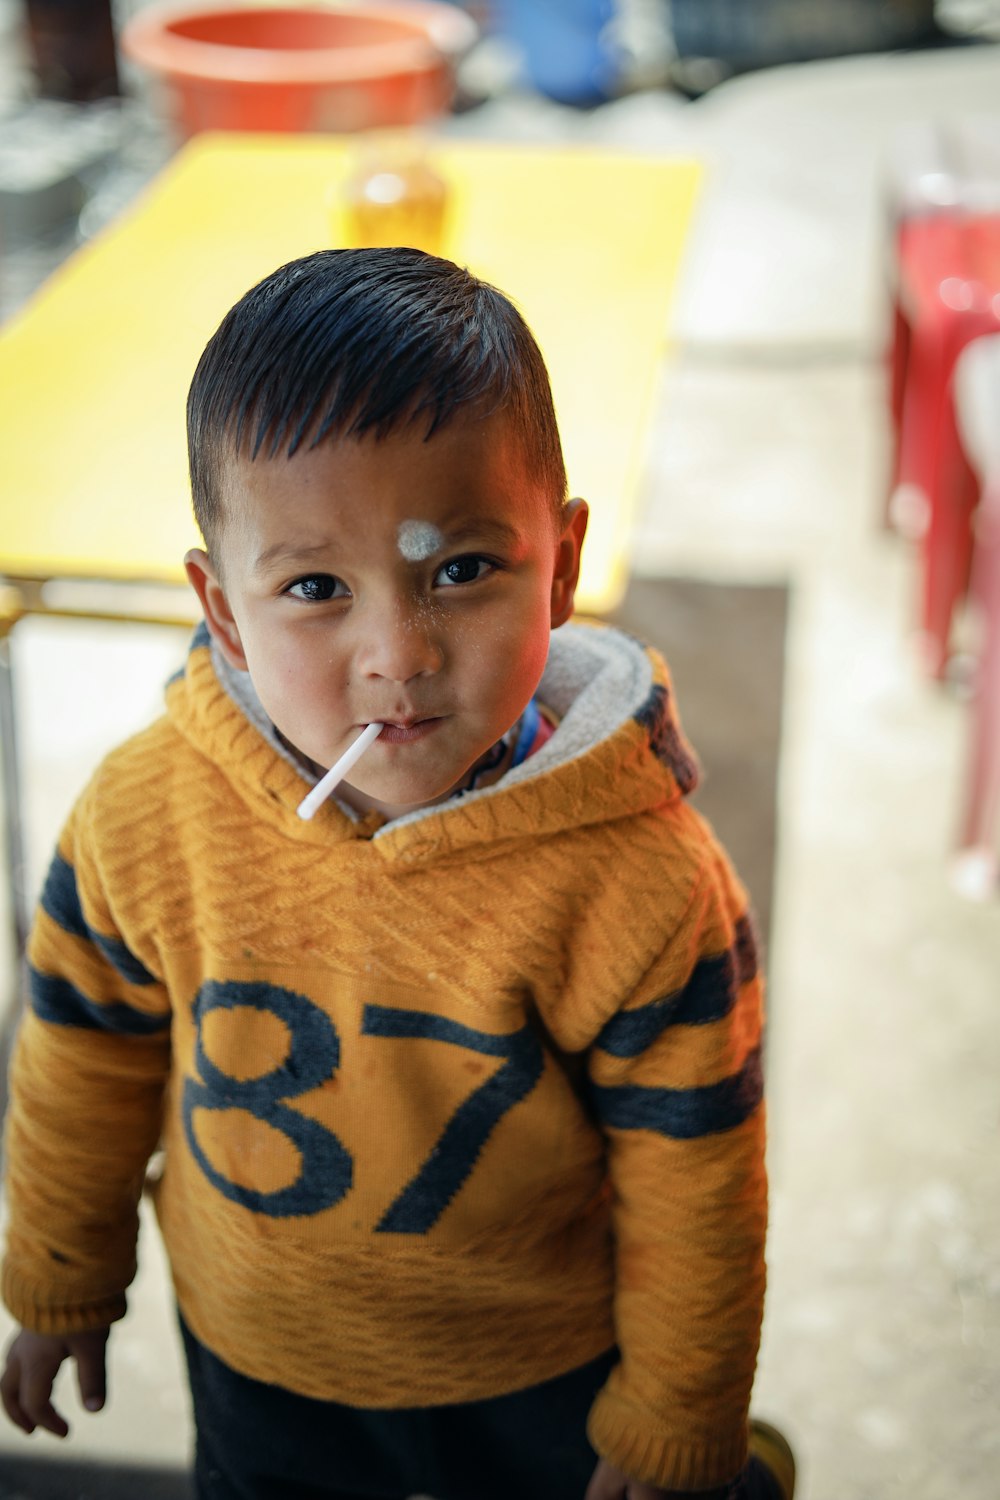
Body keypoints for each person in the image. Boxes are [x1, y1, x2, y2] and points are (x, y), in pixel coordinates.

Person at [0, 247, 794, 1500]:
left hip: (543, 1370)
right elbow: (81, 1057)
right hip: (261, 1364)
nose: (399, 653)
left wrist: (678, 1406)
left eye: (462, 570)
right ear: (221, 612)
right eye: (314, 588)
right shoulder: (147, 815)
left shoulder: (640, 877)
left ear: (563, 562)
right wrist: (58, 1272)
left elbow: (696, 1166)